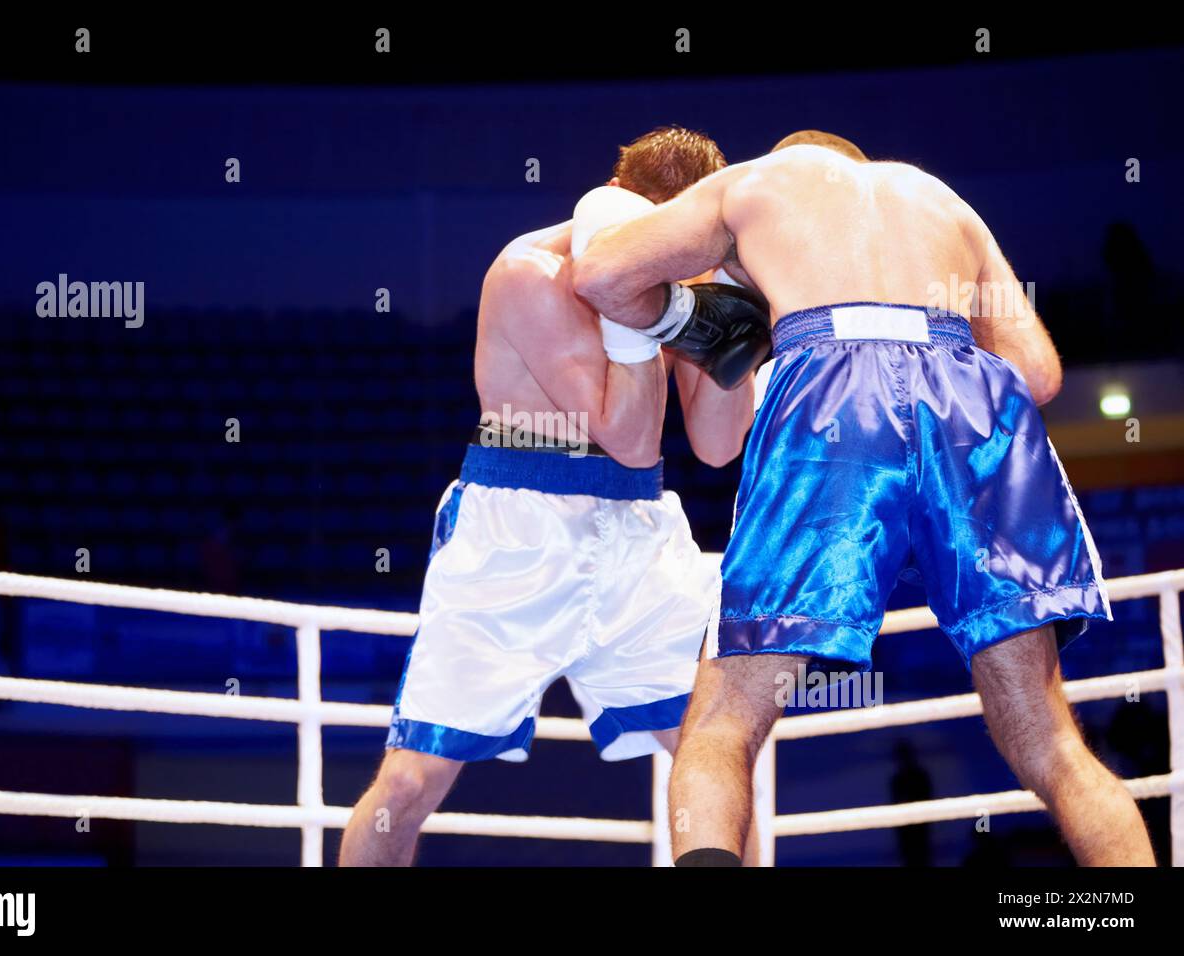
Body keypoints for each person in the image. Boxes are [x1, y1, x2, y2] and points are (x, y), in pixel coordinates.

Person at [572, 129, 1155, 866]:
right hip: (971, 397)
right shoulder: (942, 198)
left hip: (832, 386)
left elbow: (598, 274)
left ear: (796, 157)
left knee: (722, 721)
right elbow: (1037, 375)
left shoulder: (756, 182)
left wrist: (698, 320)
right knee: (1050, 739)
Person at [339, 127, 758, 866]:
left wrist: (732, 310)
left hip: (639, 532)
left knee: (709, 754)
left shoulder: (690, 275)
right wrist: (637, 310)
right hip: (516, 528)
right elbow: (627, 435)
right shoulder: (531, 273)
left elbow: (718, 446)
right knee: (410, 781)